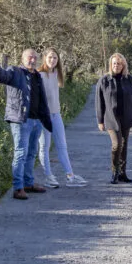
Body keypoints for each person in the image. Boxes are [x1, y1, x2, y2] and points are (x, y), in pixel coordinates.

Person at [0, 49, 53, 200]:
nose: (32, 60)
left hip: (36, 121)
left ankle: (28, 183)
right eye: (30, 57)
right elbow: (2, 77)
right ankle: (18, 188)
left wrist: (45, 119)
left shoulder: (37, 75)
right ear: (23, 58)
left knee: (31, 153)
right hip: (20, 120)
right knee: (21, 153)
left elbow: (42, 99)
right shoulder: (15, 71)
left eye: (35, 58)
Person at [37, 48, 88, 188]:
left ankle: (70, 176)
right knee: (44, 147)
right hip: (43, 117)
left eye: (55, 58)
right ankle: (48, 176)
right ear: (44, 58)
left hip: (56, 115)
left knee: (62, 146)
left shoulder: (57, 73)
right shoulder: (39, 75)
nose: (52, 60)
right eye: (50, 57)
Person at [96, 53, 132, 184]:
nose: (117, 65)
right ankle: (114, 172)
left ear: (123, 65)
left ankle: (122, 173)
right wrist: (100, 120)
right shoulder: (104, 80)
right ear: (111, 65)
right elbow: (99, 102)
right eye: (114, 63)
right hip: (111, 118)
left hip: (126, 117)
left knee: (124, 145)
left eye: (119, 63)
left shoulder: (129, 79)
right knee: (117, 144)